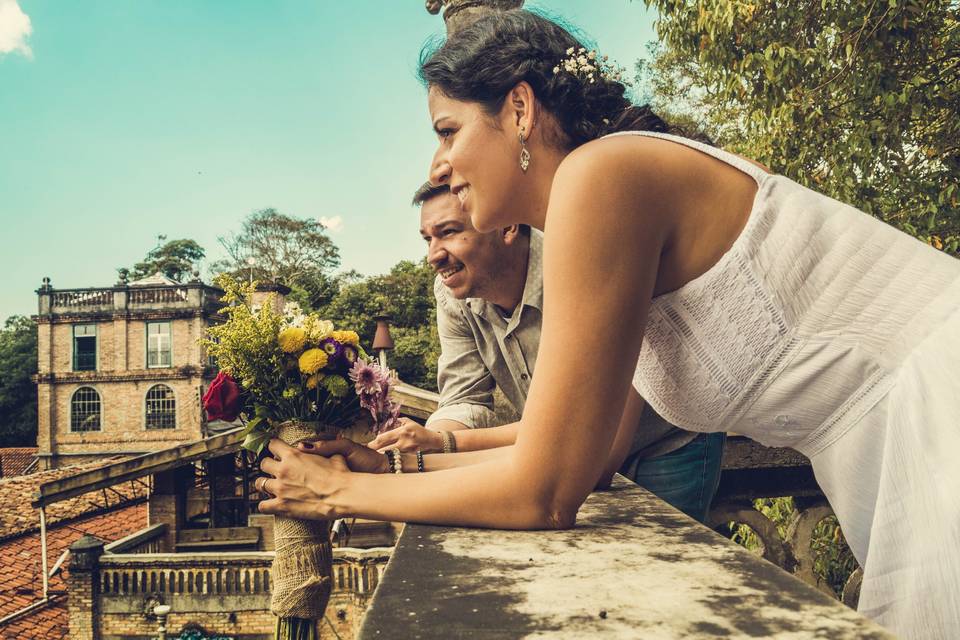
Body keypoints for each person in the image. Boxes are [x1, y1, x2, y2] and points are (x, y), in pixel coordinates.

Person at [255, 10, 960, 638]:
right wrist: (400, 463)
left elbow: (548, 490)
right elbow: (580, 455)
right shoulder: (602, 199)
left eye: (448, 130)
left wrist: (337, 491)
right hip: (890, 444)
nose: (440, 162)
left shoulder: (602, 176)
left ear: (520, 109)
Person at [367, 181, 725, 521]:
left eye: (447, 232)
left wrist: (442, 445)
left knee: (669, 568)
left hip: (666, 439)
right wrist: (417, 444)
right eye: (427, 238)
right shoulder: (450, 294)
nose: (433, 256)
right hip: (573, 447)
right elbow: (465, 398)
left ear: (506, 227)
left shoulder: (583, 262)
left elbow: (595, 454)